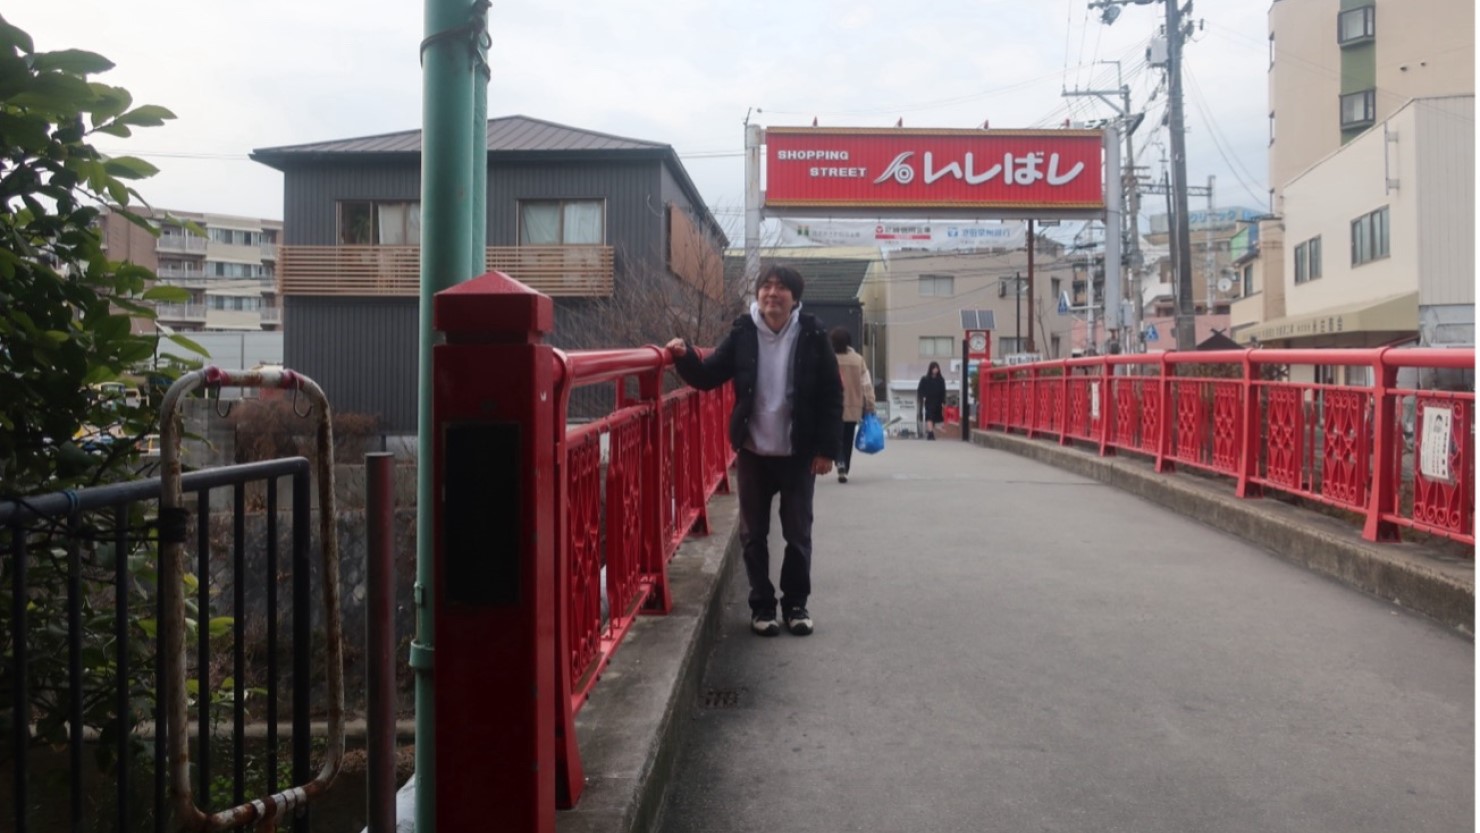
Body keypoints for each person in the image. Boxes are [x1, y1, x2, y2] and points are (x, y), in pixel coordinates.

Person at [665, 265, 842, 637]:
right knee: (753, 534)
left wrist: (827, 449)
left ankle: (795, 605)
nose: (772, 293)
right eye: (766, 286)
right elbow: (709, 374)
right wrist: (683, 356)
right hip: (753, 450)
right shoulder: (744, 331)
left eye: (781, 288)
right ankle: (762, 606)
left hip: (797, 452)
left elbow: (831, 392)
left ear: (795, 298)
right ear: (758, 294)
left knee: (798, 534)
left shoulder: (812, 332)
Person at [830, 326, 875, 483]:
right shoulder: (858, 360)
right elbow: (866, 385)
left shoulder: (829, 359)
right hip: (853, 407)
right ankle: (845, 468)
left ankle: (840, 461)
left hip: (833, 407)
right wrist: (870, 404)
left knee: (836, 438)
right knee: (848, 439)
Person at [917, 361, 947, 440]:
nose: (935, 370)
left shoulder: (941, 380)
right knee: (929, 416)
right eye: (934, 368)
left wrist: (943, 401)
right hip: (929, 401)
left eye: (937, 368)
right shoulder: (925, 379)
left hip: (938, 401)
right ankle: (930, 433)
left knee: (935, 418)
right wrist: (923, 396)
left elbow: (943, 391)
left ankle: (931, 431)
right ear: (930, 369)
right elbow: (920, 389)